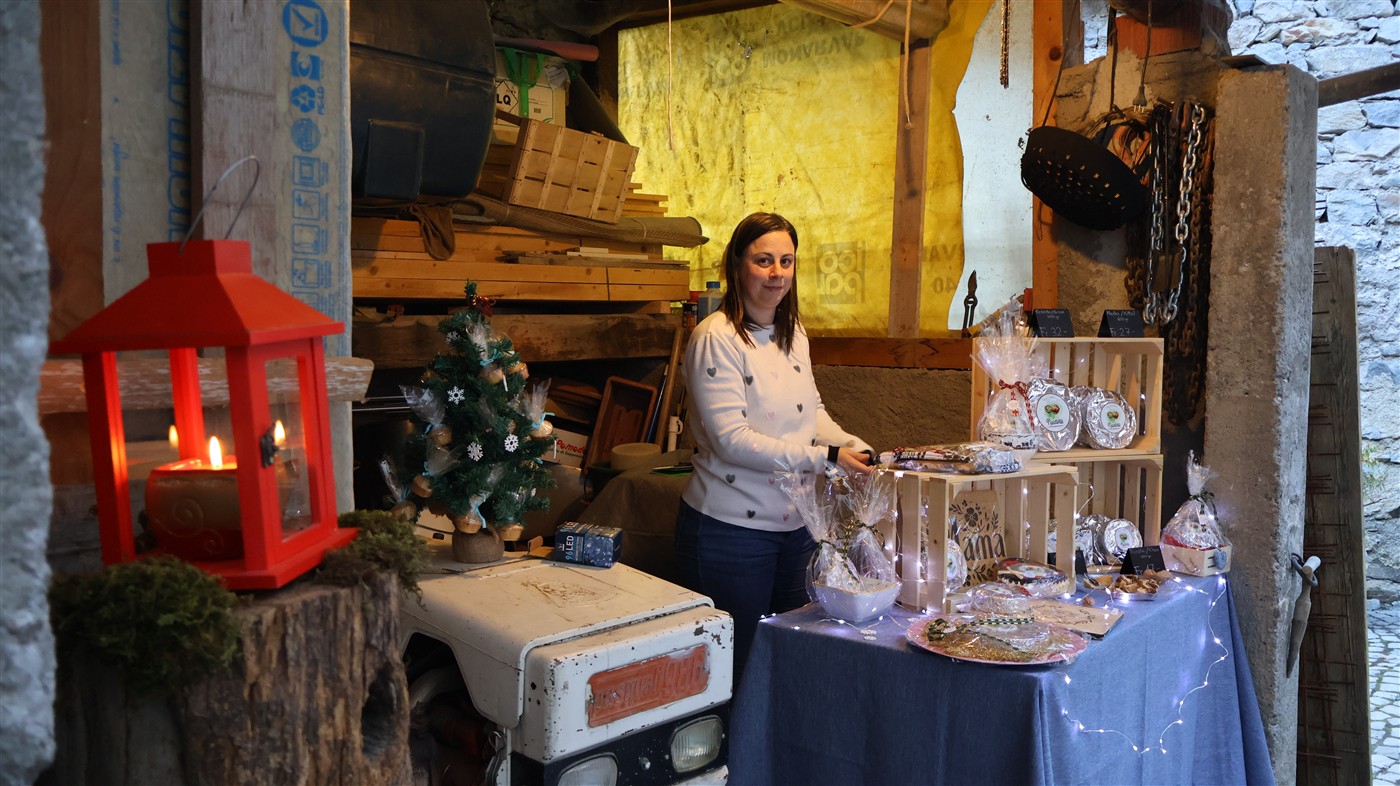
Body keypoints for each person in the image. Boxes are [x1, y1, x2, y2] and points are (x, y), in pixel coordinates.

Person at [675, 211, 875, 684]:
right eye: (763, 260)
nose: (777, 273)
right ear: (737, 265)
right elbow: (731, 441)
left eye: (786, 261)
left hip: (795, 525)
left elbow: (810, 413)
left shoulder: (794, 332)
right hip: (731, 534)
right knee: (736, 666)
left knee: (791, 656)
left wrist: (851, 445)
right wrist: (826, 459)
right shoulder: (715, 338)